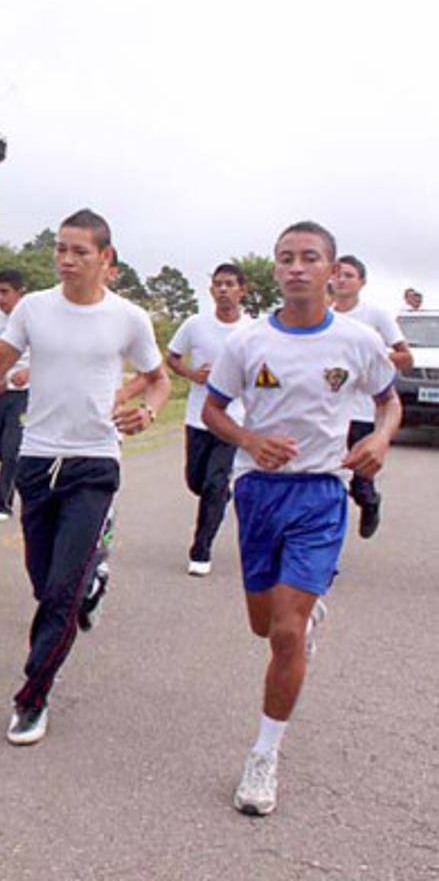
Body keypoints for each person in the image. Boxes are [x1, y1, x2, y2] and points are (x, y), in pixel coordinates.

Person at [202, 221, 400, 817]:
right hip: (260, 491)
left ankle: (264, 755)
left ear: (331, 269)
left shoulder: (358, 340)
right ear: (275, 268)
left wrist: (383, 439)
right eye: (285, 258)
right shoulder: (248, 343)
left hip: (321, 492)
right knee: (264, 627)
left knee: (286, 632)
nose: (296, 267)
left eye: (309, 258)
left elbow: (389, 400)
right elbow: (213, 410)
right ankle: (300, 618)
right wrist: (249, 438)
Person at [0, 208, 170, 746]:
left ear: (106, 259)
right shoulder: (33, 308)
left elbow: (158, 379)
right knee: (44, 584)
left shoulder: (128, 318)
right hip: (36, 459)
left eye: (79, 251)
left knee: (60, 594)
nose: (67, 260)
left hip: (94, 462)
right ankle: (92, 579)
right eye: (60, 249)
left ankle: (32, 696)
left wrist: (147, 412)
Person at [166, 264, 253, 575]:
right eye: (217, 284)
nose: (223, 290)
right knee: (197, 481)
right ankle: (217, 496)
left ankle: (201, 550)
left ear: (242, 290)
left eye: (230, 284)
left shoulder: (252, 329)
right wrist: (192, 374)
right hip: (198, 416)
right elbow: (172, 357)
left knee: (215, 484)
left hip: (233, 419)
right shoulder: (195, 324)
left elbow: (264, 372)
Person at [332, 255, 413, 538]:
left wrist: (374, 358)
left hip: (364, 410)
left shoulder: (375, 315)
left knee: (359, 480)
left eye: (349, 275)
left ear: (361, 282)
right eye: (338, 274)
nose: (341, 280)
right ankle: (325, 541)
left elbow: (406, 357)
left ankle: (370, 502)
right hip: (331, 411)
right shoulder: (324, 314)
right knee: (331, 480)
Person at [0, 269, 29, 521]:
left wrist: (30, 372)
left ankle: (3, 504)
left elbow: (49, 353)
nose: (0, 298)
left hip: (23, 393)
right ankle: (29, 476)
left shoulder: (33, 317)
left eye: (5, 292)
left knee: (12, 449)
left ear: (19, 293)